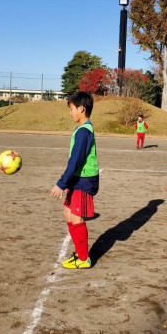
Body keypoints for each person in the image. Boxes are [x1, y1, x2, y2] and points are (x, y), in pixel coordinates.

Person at [50, 91, 99, 269]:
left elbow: (76, 160)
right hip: (77, 178)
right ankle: (79, 253)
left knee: (76, 215)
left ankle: (84, 258)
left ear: (81, 109)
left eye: (71, 109)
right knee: (68, 212)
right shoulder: (81, 130)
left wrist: (62, 183)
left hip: (84, 179)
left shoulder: (83, 132)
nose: (70, 112)